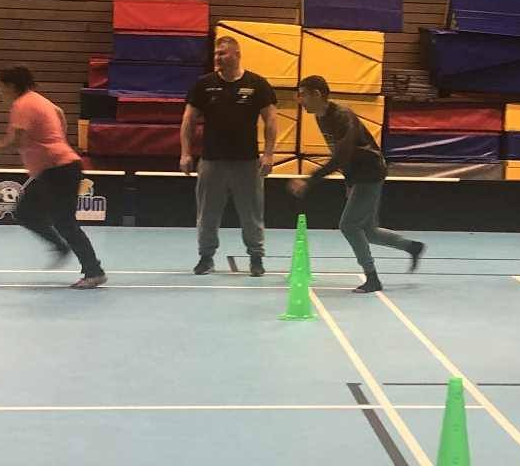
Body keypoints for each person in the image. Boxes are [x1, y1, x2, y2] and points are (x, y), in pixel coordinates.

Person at [291, 75, 423, 293]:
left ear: (317, 94)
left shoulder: (342, 116)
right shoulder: (321, 117)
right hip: (357, 175)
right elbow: (343, 155)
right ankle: (412, 247)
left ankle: (372, 278)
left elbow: (341, 155)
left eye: (303, 94)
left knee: (349, 226)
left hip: (369, 173)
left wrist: (310, 180)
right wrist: (349, 180)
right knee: (368, 231)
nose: (299, 100)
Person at [0, 66, 106, 288]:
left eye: (0, 85)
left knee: (65, 222)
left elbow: (16, 140)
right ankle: (61, 246)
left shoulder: (22, 105)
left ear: (11, 86)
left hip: (59, 169)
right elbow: (61, 115)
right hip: (55, 168)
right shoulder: (42, 101)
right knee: (25, 213)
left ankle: (94, 272)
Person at [181, 33, 279, 277]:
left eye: (222, 53)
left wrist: (269, 154)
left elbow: (270, 120)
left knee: (252, 213)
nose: (218, 57)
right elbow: (188, 120)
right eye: (216, 54)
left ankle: (256, 257)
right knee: (207, 213)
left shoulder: (258, 84)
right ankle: (206, 257)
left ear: (237, 55)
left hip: (247, 162)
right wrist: (185, 153)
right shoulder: (203, 85)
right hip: (211, 161)